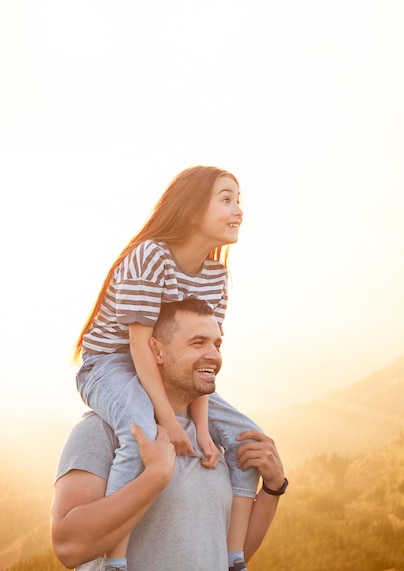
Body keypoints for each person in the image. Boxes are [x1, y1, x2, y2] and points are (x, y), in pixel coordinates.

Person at [72, 166, 262, 571]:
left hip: (166, 366)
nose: (239, 210)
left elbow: (199, 363)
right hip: (110, 363)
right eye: (226, 199)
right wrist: (170, 424)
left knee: (250, 437)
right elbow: (140, 347)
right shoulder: (150, 256)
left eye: (239, 200)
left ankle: (233, 558)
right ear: (193, 210)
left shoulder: (216, 276)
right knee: (137, 429)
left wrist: (204, 428)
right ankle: (115, 561)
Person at [52, 298, 288, 570]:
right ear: (157, 352)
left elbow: (226, 557)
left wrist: (272, 488)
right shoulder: (102, 430)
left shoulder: (211, 440)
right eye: (198, 343)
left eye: (217, 344)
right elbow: (68, 547)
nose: (213, 355)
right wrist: (155, 476)